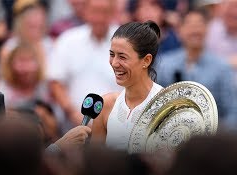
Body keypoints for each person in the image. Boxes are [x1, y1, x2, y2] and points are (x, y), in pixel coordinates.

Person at [156, 10, 237, 129]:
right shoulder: (164, 65)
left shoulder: (221, 67)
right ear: (180, 30)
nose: (195, 30)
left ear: (207, 30)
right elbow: (156, 105)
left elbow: (232, 111)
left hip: (211, 139)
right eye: (189, 25)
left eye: (199, 25)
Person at [47, 0, 122, 129]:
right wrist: (72, 113)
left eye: (104, 12)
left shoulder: (126, 42)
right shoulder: (68, 40)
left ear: (113, 13)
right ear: (85, 12)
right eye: (94, 11)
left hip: (117, 128)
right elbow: (55, 82)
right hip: (74, 126)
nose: (99, 17)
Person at [91, 21, 164, 151]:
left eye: (122, 57)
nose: (114, 63)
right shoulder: (105, 105)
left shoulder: (166, 105)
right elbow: (95, 163)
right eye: (112, 54)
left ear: (146, 60)